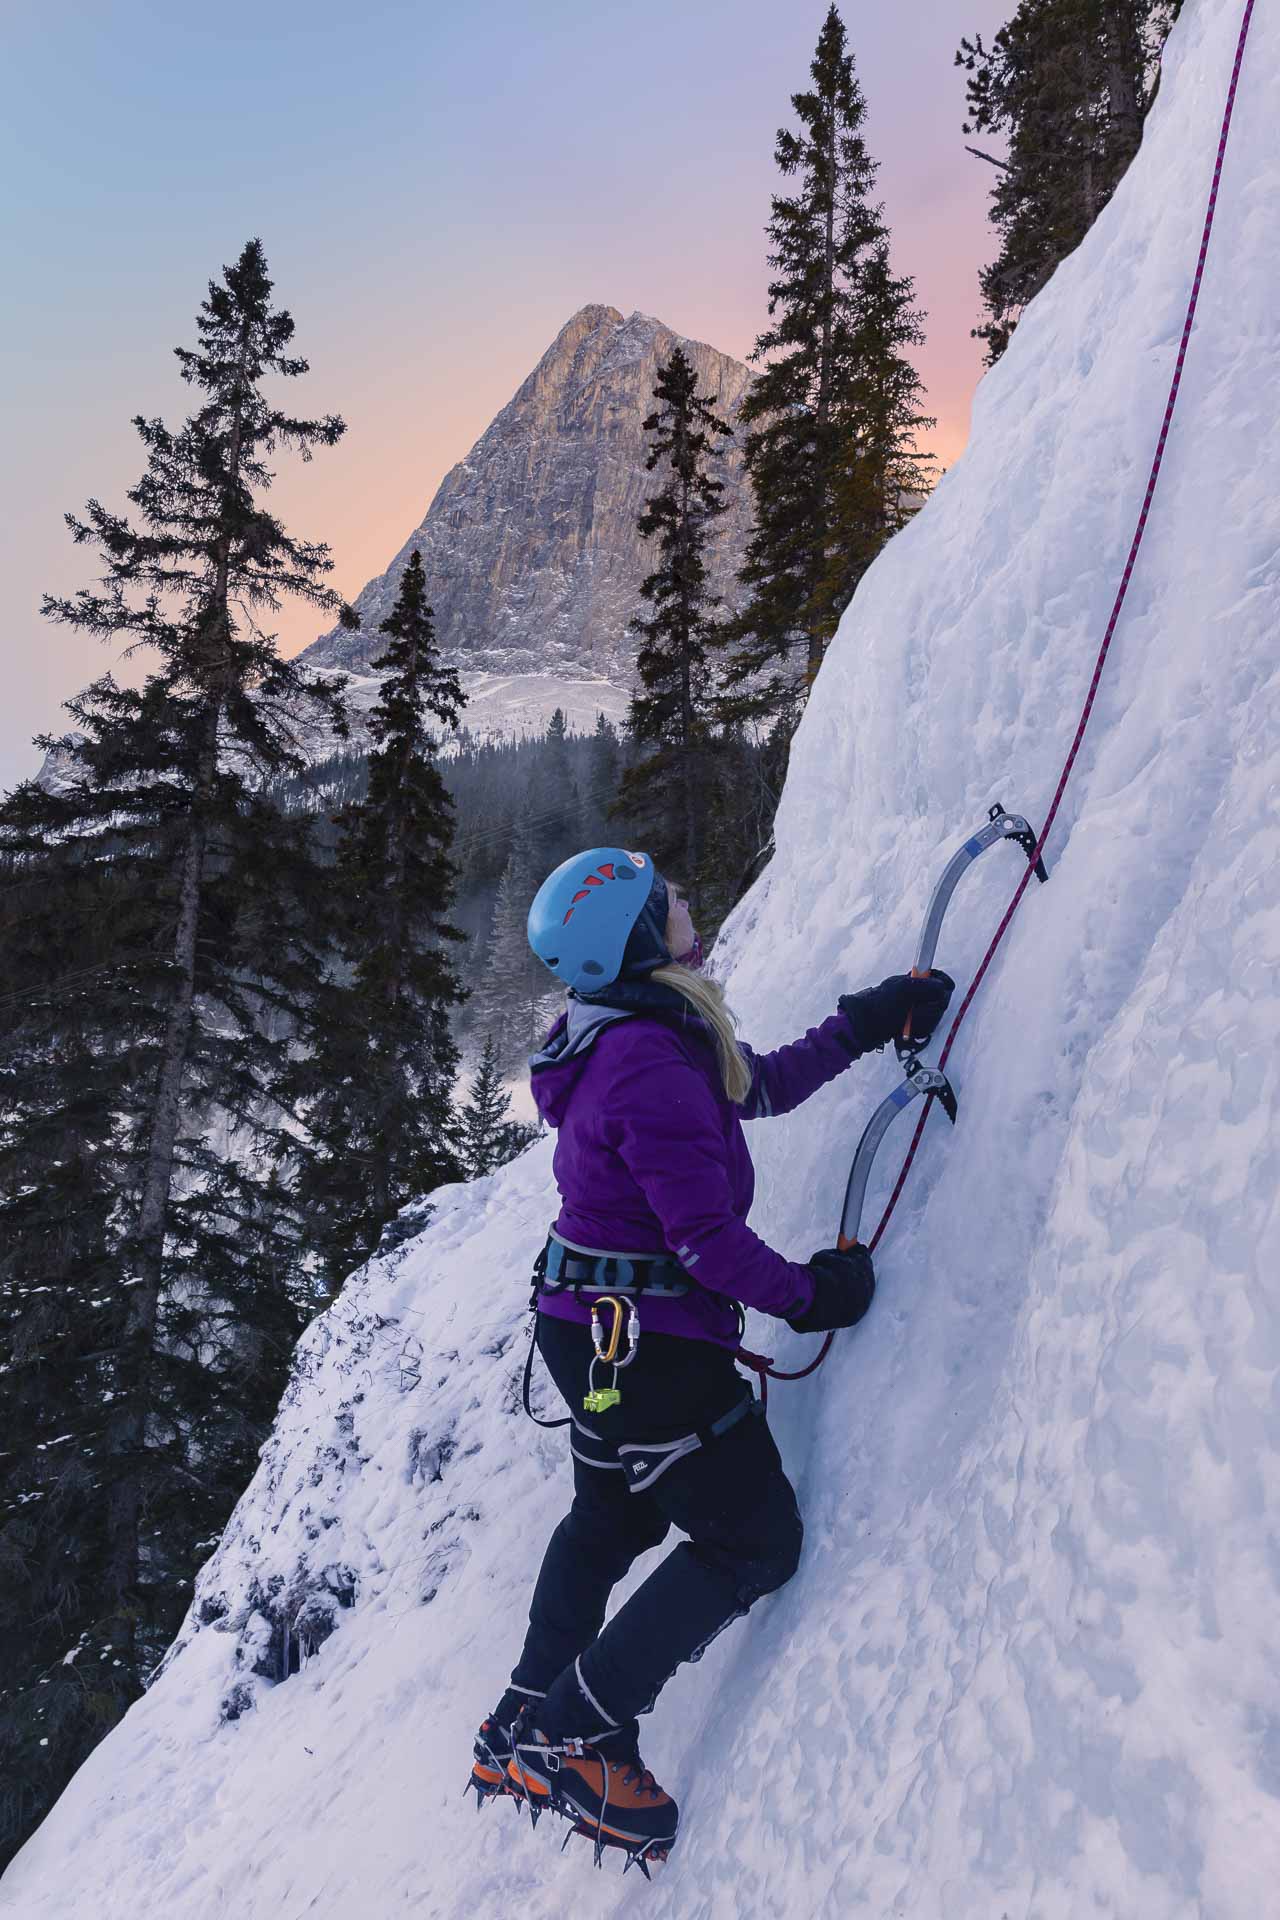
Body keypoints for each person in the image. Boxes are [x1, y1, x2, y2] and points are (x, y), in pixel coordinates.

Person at [469, 847, 953, 1871]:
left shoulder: (632, 1030)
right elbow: (705, 1245)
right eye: (668, 901)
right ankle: (579, 1732)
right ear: (641, 942)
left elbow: (756, 1087)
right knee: (752, 1543)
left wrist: (865, 1022)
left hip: (589, 1326)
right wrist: (813, 1297)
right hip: (644, 1350)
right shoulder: (645, 1060)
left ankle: (523, 1721)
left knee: (611, 1515)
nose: (689, 902)